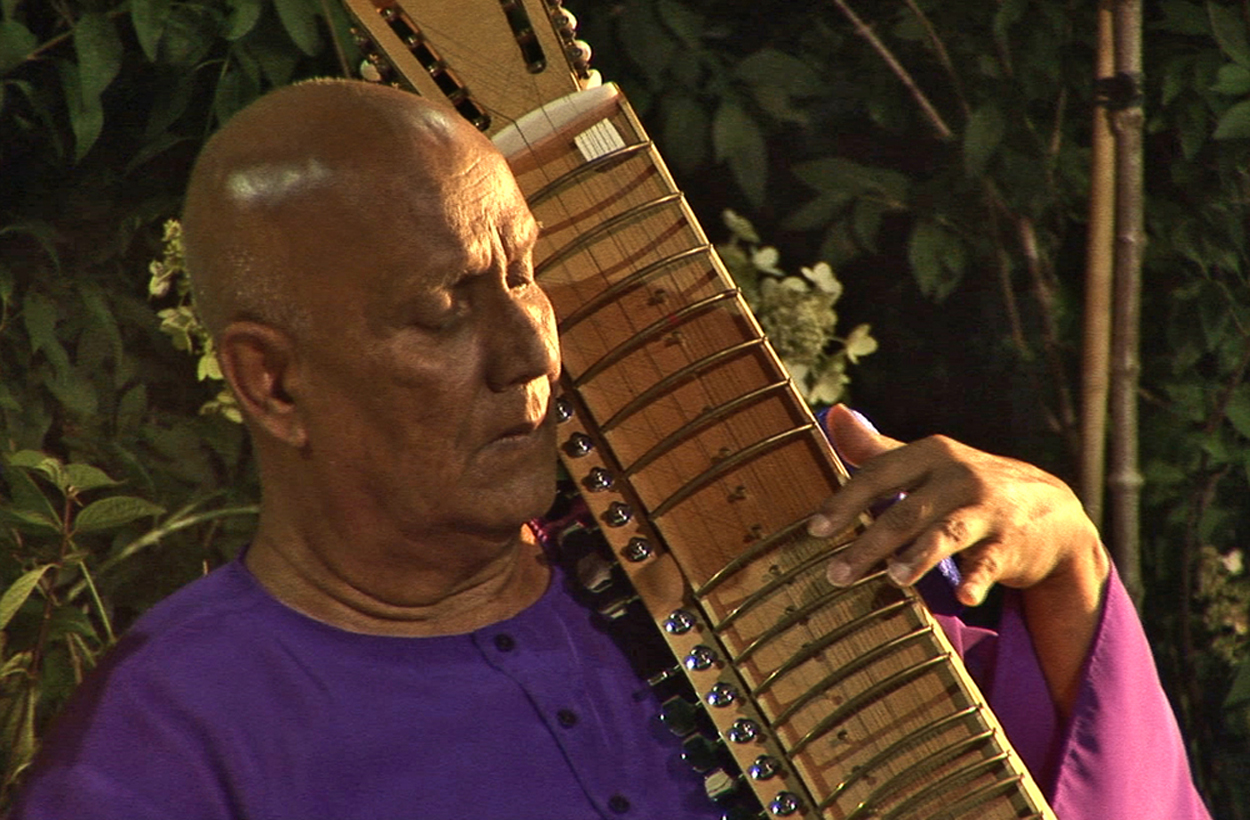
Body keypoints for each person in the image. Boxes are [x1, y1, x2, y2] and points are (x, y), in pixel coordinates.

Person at [11, 79, 1210, 819]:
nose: (530, 350)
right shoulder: (170, 740)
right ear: (272, 382)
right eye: (440, 309)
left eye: (523, 272)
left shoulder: (732, 572)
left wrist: (1062, 559)